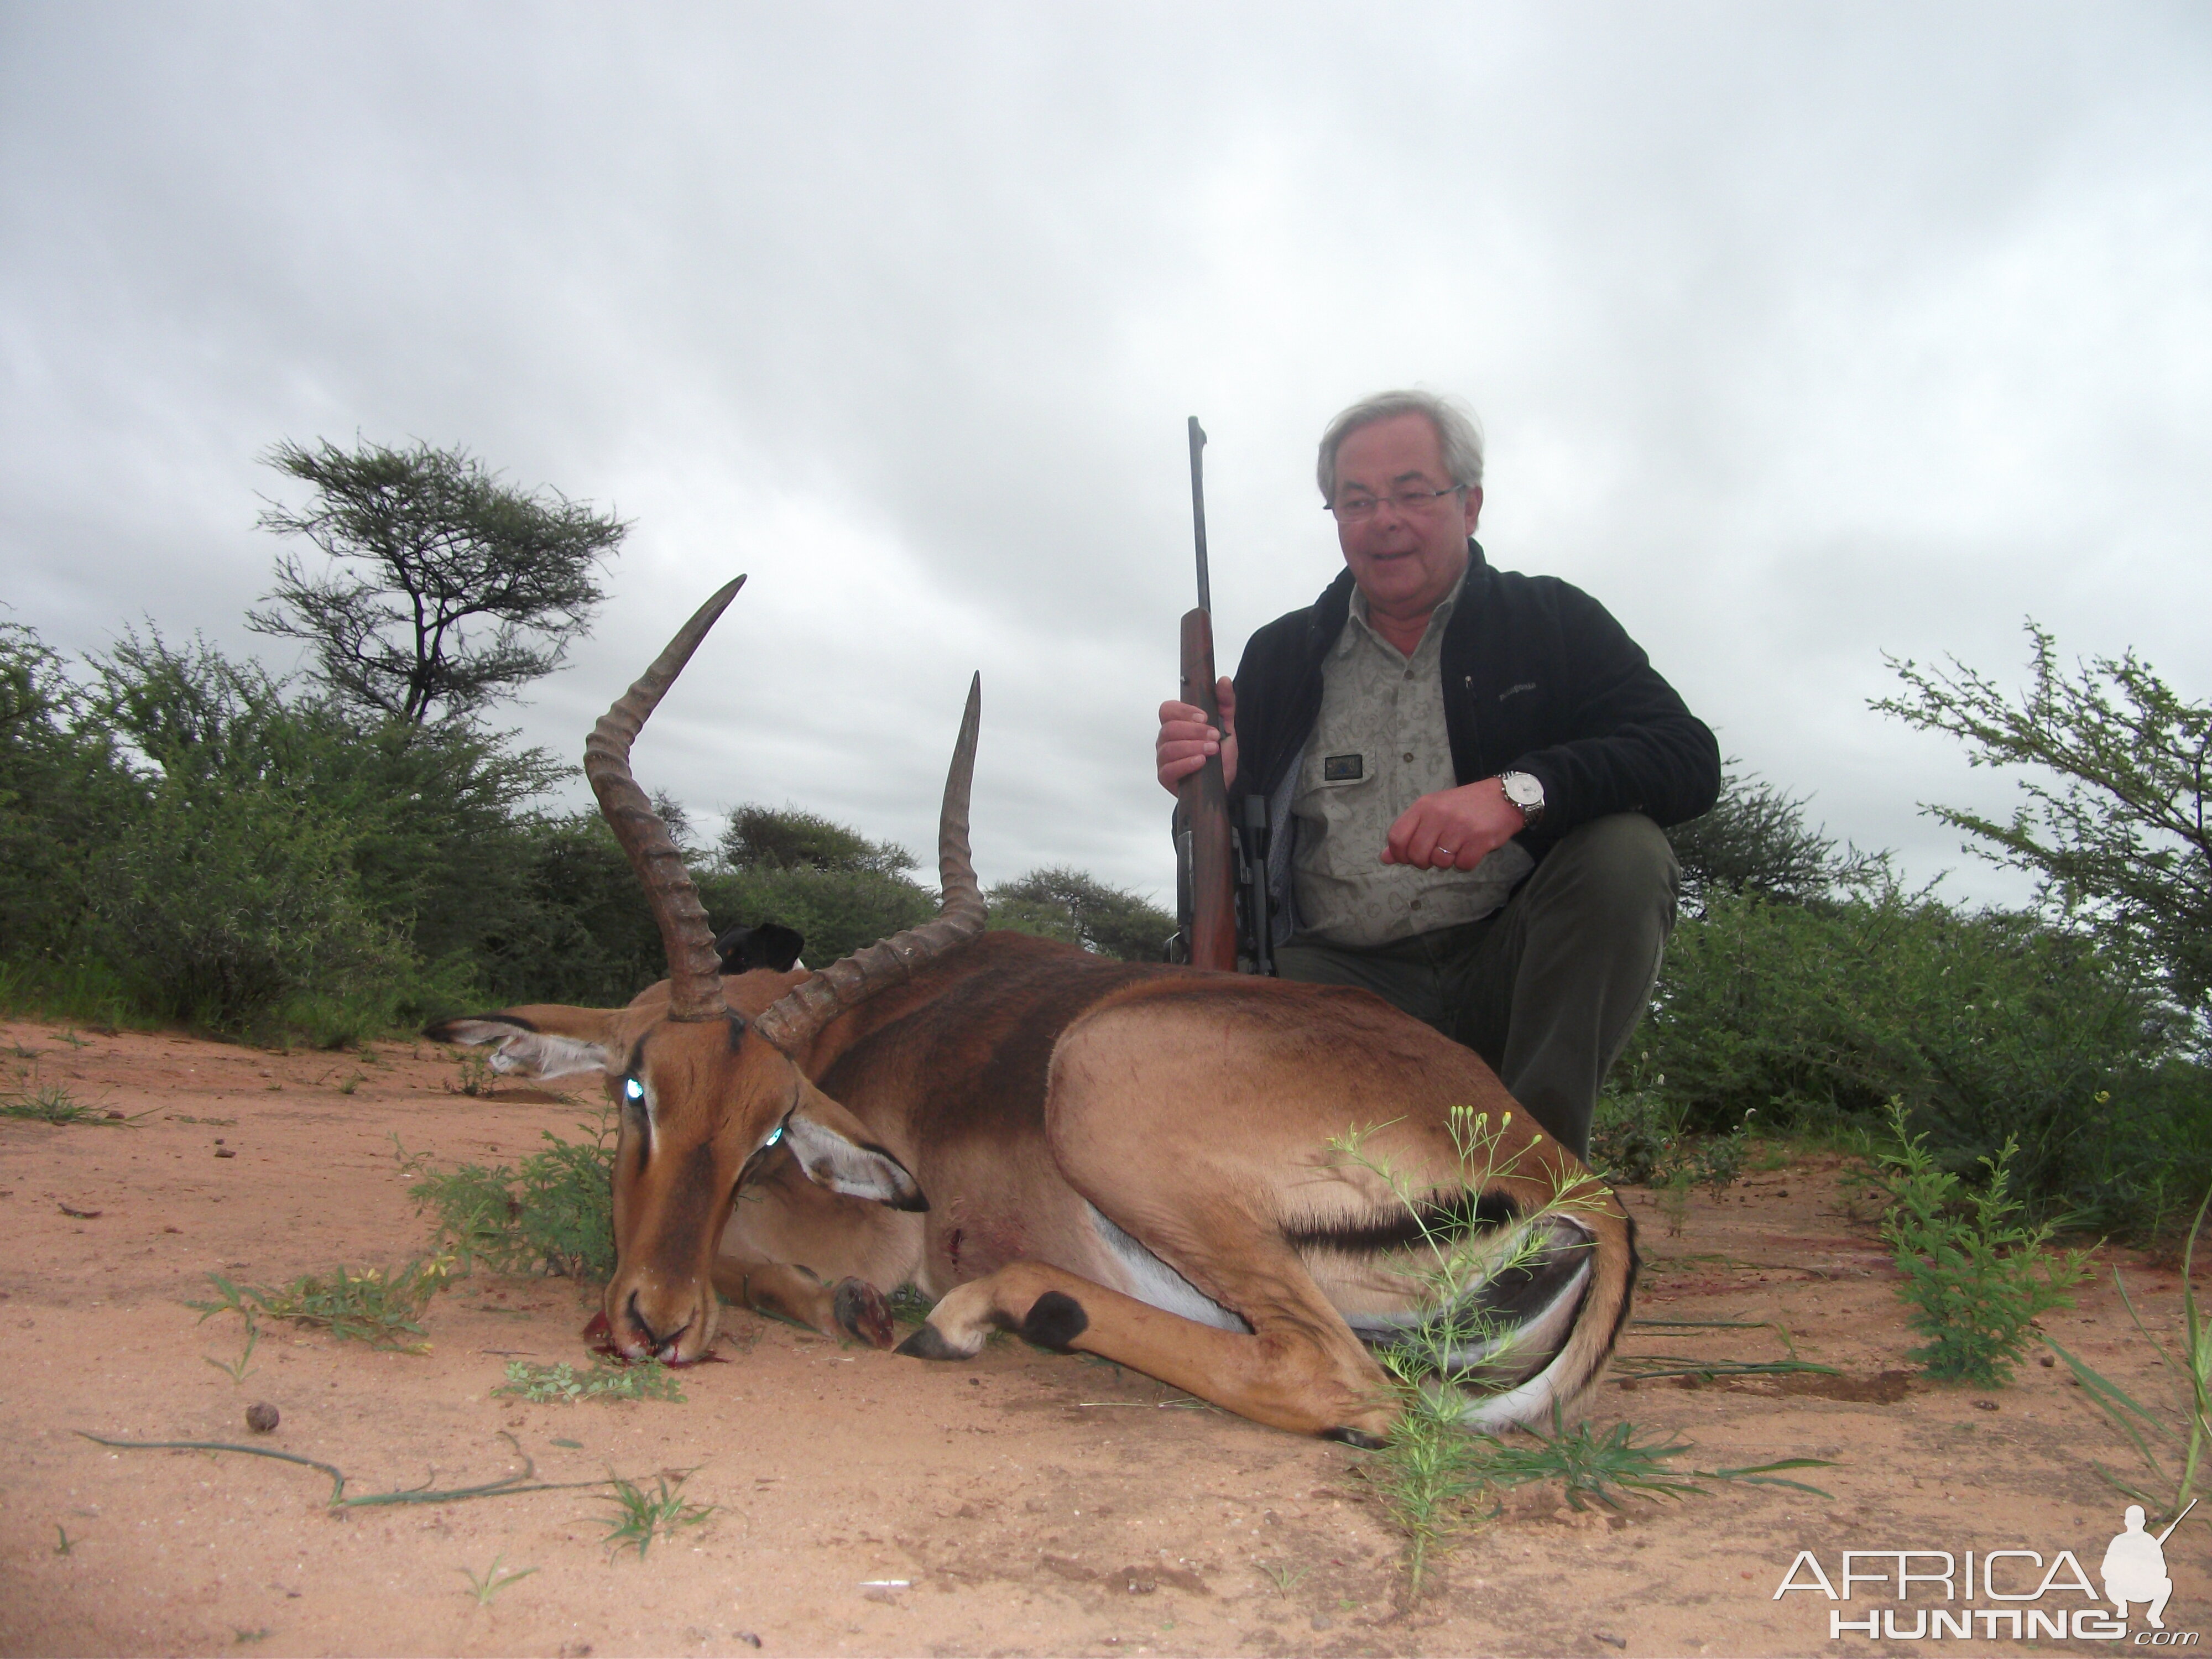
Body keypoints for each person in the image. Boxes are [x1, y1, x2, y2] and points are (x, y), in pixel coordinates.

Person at [1155, 389, 1719, 1161]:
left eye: (1413, 493)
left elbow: (1688, 757)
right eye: (1356, 501)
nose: (1384, 519)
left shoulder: (1552, 619)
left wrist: (1519, 793)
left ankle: (1536, 1177)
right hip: (1344, 984)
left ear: (1471, 504)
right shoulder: (1281, 653)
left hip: (1510, 971)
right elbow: (1236, 860)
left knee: (1628, 852)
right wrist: (1211, 786)